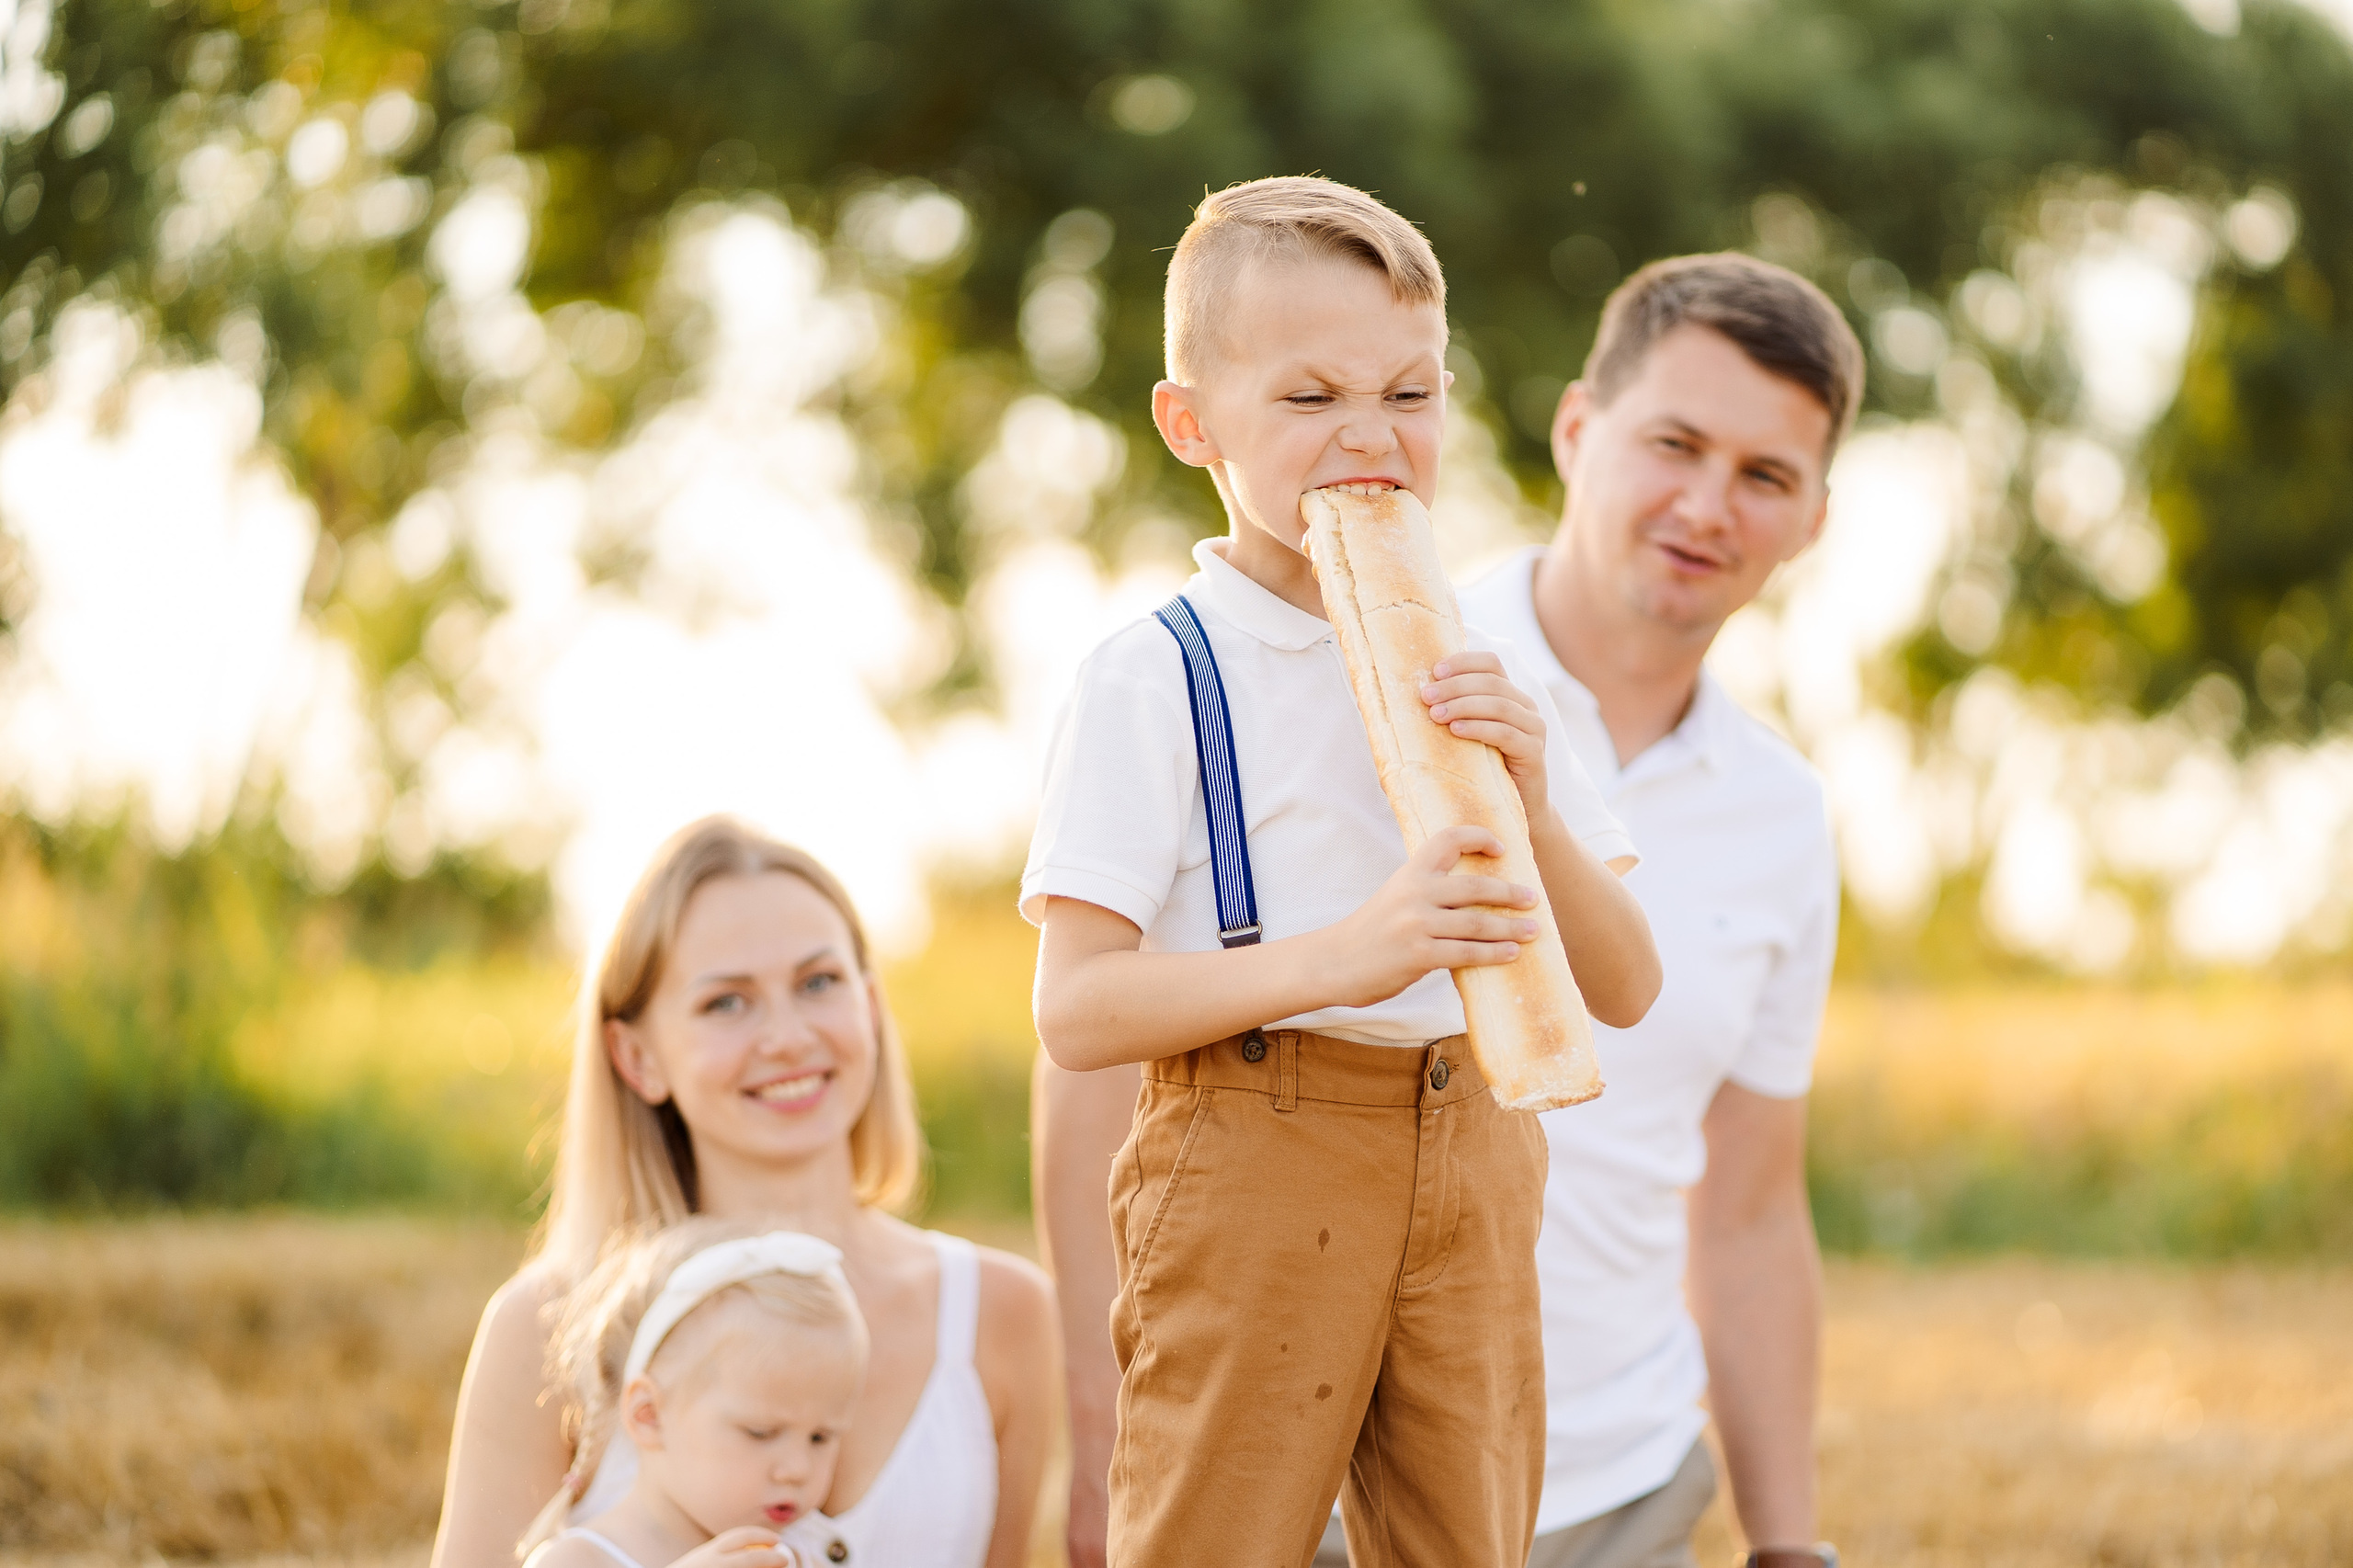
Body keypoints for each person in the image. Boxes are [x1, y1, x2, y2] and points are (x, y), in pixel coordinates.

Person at [1024, 176, 1662, 1568]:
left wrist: (1538, 804)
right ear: (1192, 422)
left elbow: (1625, 983)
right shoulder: (1155, 672)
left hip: (1478, 1144)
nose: (1370, 437)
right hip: (1257, 1134)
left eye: (1411, 394)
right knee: (1216, 1530)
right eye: (1308, 399)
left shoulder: (1491, 655)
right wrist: (1347, 954)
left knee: (1467, 1539)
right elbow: (1076, 1011)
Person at [1317, 254, 1862, 1568]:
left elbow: (1747, 1211)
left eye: (1765, 476)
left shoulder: (1786, 817)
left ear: (1812, 521)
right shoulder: (1353, 673)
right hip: (1333, 1492)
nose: (1706, 504)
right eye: (1673, 443)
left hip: (1625, 1496)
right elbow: (1124, 1081)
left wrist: (1789, 1545)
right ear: (1576, 429)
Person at [430, 817, 1058, 1568]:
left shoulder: (1002, 1313)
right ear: (637, 1057)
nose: (788, 1036)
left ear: (869, 1002)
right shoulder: (548, 1326)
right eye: (727, 1002)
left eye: (818, 982)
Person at [519, 1221, 870, 1568]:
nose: (797, 1469)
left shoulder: (797, 1558)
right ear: (649, 1414)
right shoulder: (579, 1559)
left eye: (820, 1437)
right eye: (760, 1432)